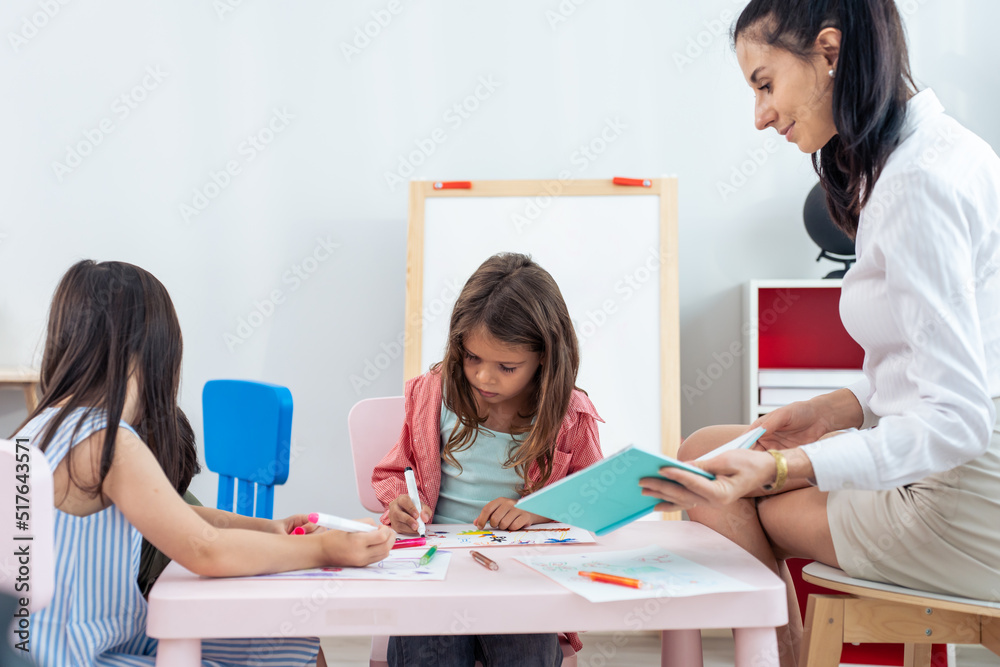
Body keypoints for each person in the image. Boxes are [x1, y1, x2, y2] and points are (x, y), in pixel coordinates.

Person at [638, 1, 1000, 665]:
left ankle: (788, 657)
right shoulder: (945, 147)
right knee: (701, 449)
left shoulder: (917, 185)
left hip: (966, 503)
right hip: (956, 465)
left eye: (764, 83)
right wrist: (836, 408)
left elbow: (958, 421)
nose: (760, 115)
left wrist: (783, 465)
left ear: (829, 53)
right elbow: (952, 354)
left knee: (710, 489)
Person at [14, 260, 396, 667]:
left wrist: (270, 528)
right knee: (294, 651)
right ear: (153, 352)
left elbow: (179, 516)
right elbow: (205, 551)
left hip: (59, 644)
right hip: (83, 655)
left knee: (295, 644)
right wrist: (324, 549)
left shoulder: (39, 429)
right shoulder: (106, 442)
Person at [372, 252, 604, 667]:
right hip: (435, 569)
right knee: (428, 650)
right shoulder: (433, 393)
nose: (483, 377)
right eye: (472, 357)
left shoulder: (571, 414)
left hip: (521, 573)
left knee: (526, 649)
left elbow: (595, 498)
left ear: (546, 358)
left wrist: (537, 512)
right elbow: (393, 472)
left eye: (507, 366)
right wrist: (400, 505)